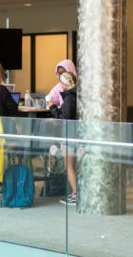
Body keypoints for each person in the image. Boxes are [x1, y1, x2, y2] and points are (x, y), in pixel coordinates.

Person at [47, 71, 77, 205]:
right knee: (72, 166)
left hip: (69, 136)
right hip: (75, 135)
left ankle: (75, 194)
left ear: (65, 83)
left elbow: (64, 118)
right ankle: (75, 193)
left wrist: (52, 107)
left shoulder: (69, 98)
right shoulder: (75, 96)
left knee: (69, 166)